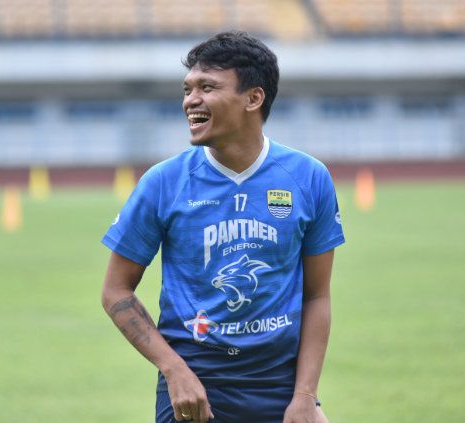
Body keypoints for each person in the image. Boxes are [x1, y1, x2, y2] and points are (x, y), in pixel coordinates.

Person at [101, 31, 344, 423]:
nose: (190, 100)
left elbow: (317, 297)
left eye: (207, 87)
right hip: (194, 386)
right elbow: (115, 291)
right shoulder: (163, 182)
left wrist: (306, 396)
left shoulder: (308, 177)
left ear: (253, 98)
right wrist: (174, 370)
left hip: (279, 387)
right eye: (187, 89)